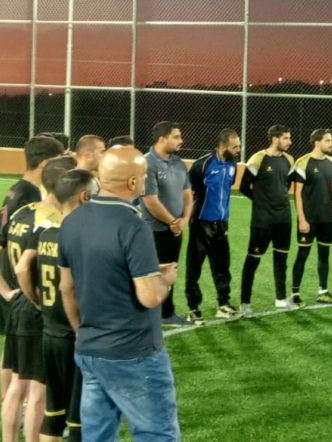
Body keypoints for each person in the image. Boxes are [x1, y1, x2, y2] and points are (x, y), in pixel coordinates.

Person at [59, 146, 181, 441]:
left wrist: (80, 332)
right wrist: (166, 279)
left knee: (97, 435)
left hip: (90, 350)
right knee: (157, 434)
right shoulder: (133, 225)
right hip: (133, 351)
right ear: (132, 182)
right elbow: (149, 296)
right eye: (143, 176)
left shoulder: (72, 220)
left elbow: (67, 288)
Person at [0, 135, 65, 404]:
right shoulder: (31, 195)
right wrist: (7, 289)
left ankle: (12, 401)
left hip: (11, 274)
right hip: (17, 282)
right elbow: (3, 235)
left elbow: (0, 226)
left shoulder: (18, 188)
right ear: (46, 163)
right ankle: (15, 401)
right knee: (14, 350)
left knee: (12, 346)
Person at [0, 155, 75, 442]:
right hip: (37, 309)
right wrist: (38, 302)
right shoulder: (54, 220)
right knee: (38, 391)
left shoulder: (25, 212)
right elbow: (23, 268)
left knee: (17, 385)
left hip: (17, 306)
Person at [25, 168, 97, 442]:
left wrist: (38, 302)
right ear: (84, 197)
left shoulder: (46, 233)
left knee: (53, 414)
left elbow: (24, 270)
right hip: (74, 336)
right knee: (79, 420)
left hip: (50, 333)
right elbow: (72, 287)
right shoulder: (81, 237)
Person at [139, 121, 194, 326]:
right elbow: (150, 200)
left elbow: (188, 195)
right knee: (152, 273)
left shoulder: (179, 163)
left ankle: (167, 313)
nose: (181, 140)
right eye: (176, 137)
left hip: (175, 230)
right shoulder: (147, 163)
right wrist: (173, 221)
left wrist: (184, 220)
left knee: (171, 272)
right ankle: (150, 314)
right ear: (162, 139)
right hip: (154, 230)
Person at [185, 129, 242, 323]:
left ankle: (223, 304)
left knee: (222, 266)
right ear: (222, 146)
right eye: (235, 147)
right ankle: (193, 308)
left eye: (239, 146)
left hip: (222, 225)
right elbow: (187, 192)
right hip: (201, 224)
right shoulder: (202, 164)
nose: (238, 150)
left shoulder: (232, 164)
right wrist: (187, 217)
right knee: (194, 268)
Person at [238, 125, 296, 315]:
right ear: (275, 138)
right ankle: (245, 303)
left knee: (281, 259)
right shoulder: (258, 158)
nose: (289, 141)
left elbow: (286, 185)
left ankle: (281, 299)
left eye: (289, 138)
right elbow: (244, 187)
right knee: (253, 260)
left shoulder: (289, 160)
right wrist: (261, 201)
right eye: (286, 138)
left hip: (284, 218)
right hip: (262, 220)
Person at [291, 128, 332, 306]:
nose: (331, 143)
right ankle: (295, 294)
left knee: (324, 255)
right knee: (302, 255)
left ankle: (323, 291)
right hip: (309, 219)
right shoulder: (303, 162)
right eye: (328, 140)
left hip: (326, 218)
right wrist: (302, 219)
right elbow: (297, 193)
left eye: (331, 140)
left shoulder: (331, 162)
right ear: (317, 142)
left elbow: (331, 184)